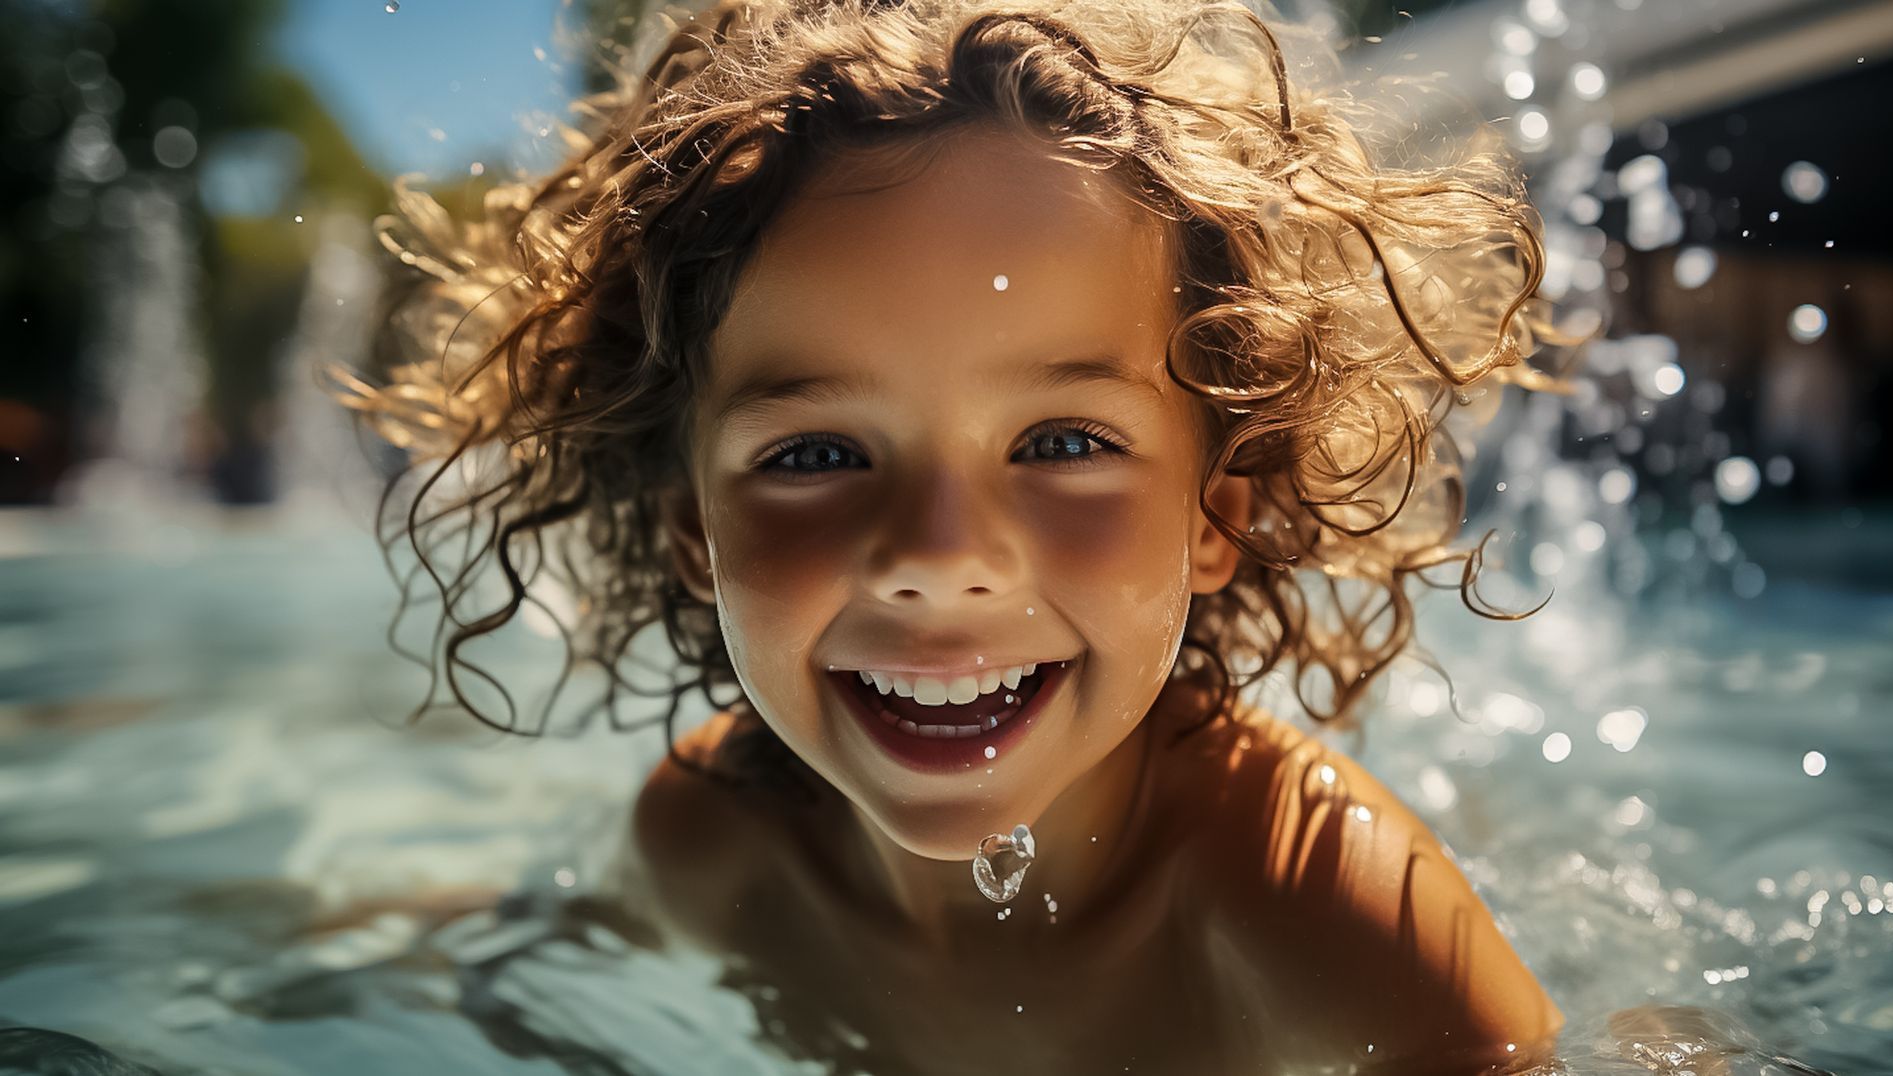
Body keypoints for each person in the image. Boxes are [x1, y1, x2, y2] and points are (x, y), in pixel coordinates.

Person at [344, 0, 1565, 1069]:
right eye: (816, 455)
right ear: (695, 536)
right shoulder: (710, 840)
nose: (938, 554)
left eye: (1063, 442)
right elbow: (517, 978)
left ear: (1215, 515)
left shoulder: (1326, 909)